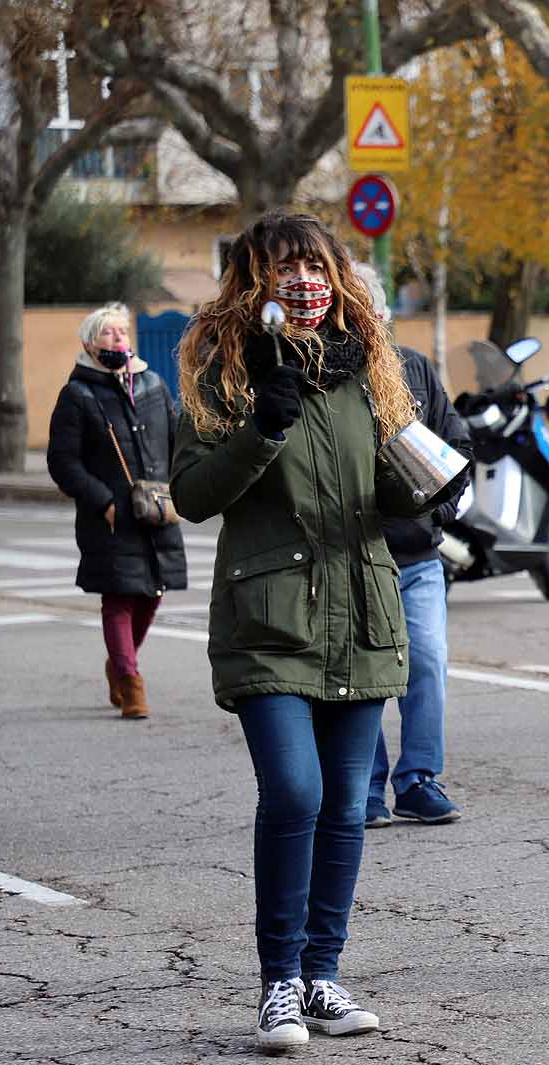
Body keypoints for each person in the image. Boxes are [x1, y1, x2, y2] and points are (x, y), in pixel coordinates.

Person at [171, 212, 426, 1052]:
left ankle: (323, 975)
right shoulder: (223, 368)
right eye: (286, 267)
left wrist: (430, 489)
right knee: (296, 793)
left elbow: (383, 484)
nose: (306, 281)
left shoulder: (365, 364)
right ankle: (279, 984)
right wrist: (263, 426)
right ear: (253, 280)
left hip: (362, 612)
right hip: (270, 619)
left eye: (317, 266)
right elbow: (195, 493)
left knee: (348, 805)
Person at [351, 263, 473, 828]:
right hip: (354, 555)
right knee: (361, 676)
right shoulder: (323, 381)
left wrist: (445, 505)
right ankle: (366, 788)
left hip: (419, 556)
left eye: (370, 310)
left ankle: (419, 778)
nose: (363, 321)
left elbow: (456, 440)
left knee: (425, 662)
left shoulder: (415, 371)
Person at [46, 302, 187, 719]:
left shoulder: (153, 384)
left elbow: (176, 438)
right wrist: (101, 500)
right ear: (90, 344)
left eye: (122, 332)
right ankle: (130, 681)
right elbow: (62, 461)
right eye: (108, 333)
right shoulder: (78, 394)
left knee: (153, 592)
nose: (118, 339)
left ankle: (118, 664)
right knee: (120, 598)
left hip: (156, 510)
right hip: (109, 517)